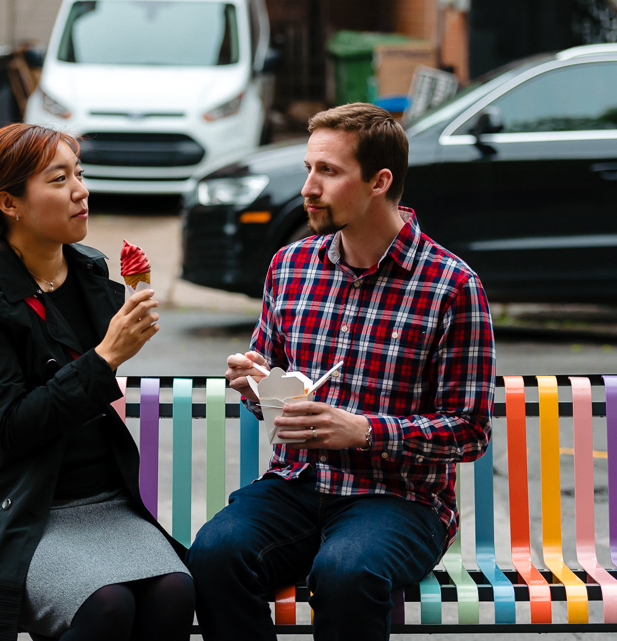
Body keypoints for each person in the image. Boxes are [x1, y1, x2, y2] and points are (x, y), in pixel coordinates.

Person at [187, 103, 496, 640]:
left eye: (327, 171)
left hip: (400, 499)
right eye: (309, 168)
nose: (308, 186)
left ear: (380, 181)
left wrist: (364, 431)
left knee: (346, 572)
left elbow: (470, 430)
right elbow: (271, 393)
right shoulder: (291, 266)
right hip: (296, 483)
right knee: (213, 555)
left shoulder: (452, 285)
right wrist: (255, 383)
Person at [0, 123, 194, 641]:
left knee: (175, 592)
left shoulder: (92, 275)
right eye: (58, 179)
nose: (81, 191)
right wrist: (104, 359)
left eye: (79, 173)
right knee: (107, 604)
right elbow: (12, 426)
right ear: (9, 203)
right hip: (17, 507)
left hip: (103, 499)